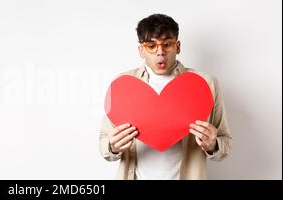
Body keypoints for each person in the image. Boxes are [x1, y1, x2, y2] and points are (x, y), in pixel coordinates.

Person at [98, 14, 232, 180]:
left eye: (167, 45)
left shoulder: (205, 84)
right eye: (151, 46)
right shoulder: (123, 85)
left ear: (178, 46)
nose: (160, 53)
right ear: (141, 50)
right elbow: (104, 142)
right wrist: (112, 146)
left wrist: (213, 145)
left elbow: (225, 142)